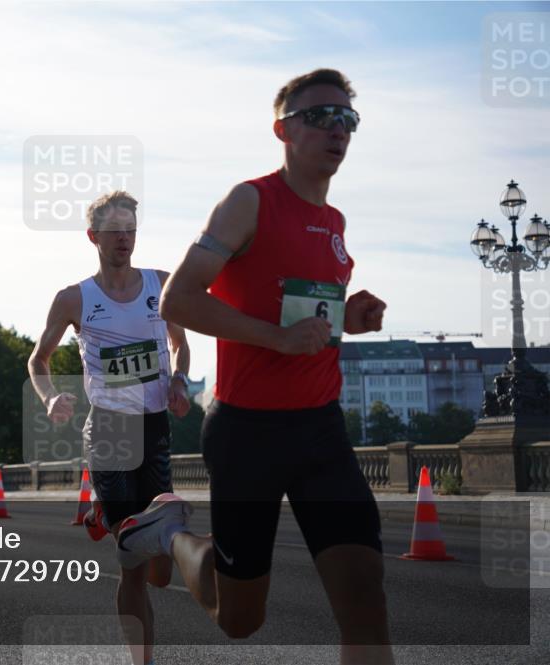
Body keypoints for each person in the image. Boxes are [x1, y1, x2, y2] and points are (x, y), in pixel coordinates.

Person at [118, 69, 393, 665]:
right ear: (282, 130)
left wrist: (348, 318)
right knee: (239, 619)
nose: (337, 129)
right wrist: (277, 339)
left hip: (321, 430)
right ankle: (170, 533)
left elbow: (300, 316)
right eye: (320, 116)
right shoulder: (250, 201)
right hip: (248, 432)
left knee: (365, 600)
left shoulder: (336, 223)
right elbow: (177, 300)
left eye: (347, 119)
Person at [28, 190, 192, 665]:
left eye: (131, 230)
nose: (125, 238)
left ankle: (106, 516)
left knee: (161, 569)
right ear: (93, 236)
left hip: (154, 427)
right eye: (115, 230)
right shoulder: (74, 298)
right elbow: (38, 360)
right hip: (109, 431)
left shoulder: (162, 284)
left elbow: (180, 345)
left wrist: (179, 379)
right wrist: (50, 396)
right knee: (133, 562)